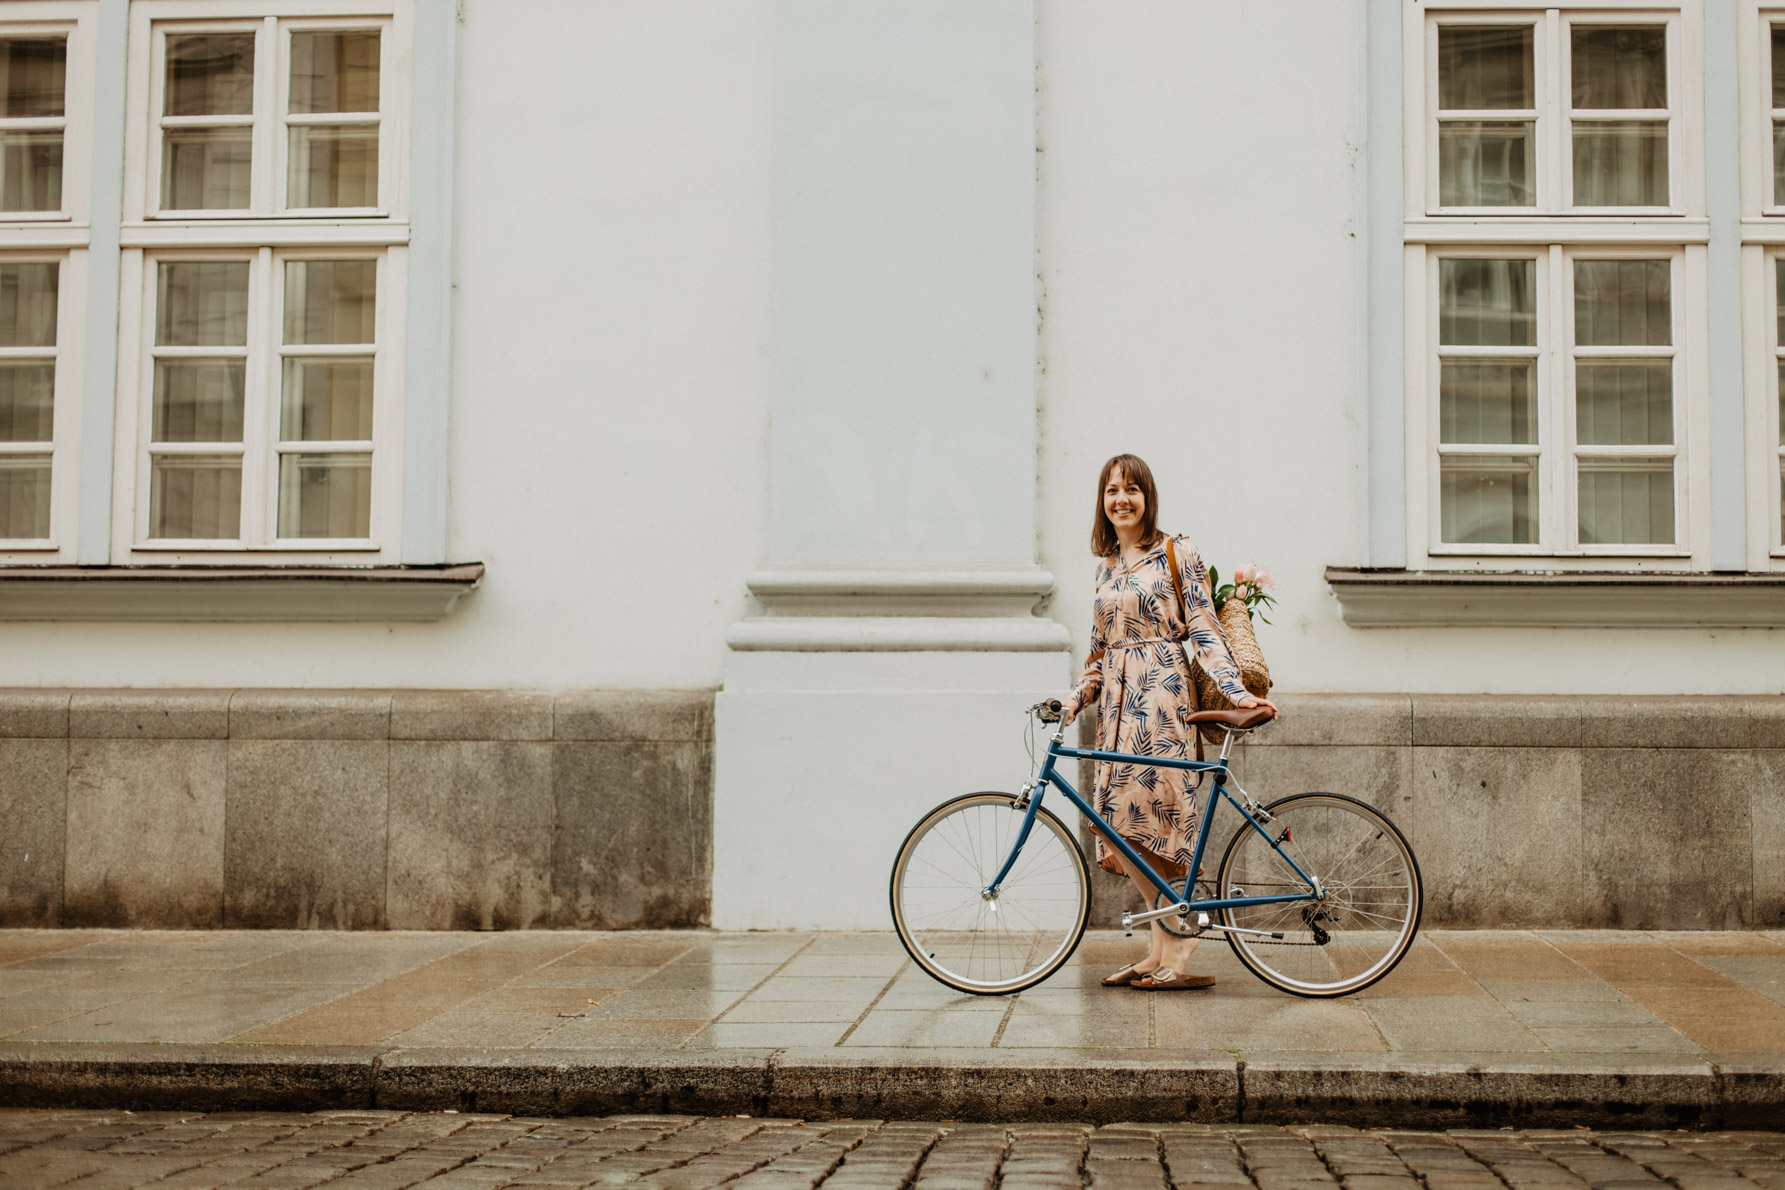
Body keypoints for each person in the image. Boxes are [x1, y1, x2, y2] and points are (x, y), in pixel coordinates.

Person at [1059, 453, 1277, 991]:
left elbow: (1203, 627)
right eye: (1112, 491)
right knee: (1118, 824)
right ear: (1102, 502)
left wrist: (1237, 691)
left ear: (1147, 497)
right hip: (1115, 705)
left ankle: (1177, 941)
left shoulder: (1177, 552)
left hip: (1160, 698)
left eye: (1132, 489)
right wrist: (1074, 698)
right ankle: (1161, 949)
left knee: (1153, 818)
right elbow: (1097, 652)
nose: (1121, 499)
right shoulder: (1105, 568)